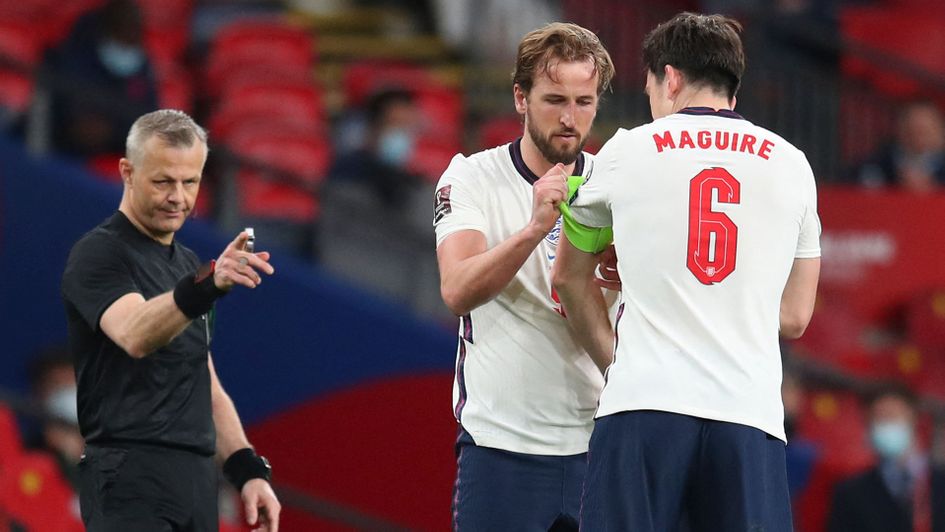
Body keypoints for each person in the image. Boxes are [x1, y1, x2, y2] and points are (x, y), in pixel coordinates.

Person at [551, 12, 821, 531]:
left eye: (652, 86)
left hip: (644, 406)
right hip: (748, 414)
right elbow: (794, 317)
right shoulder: (793, 164)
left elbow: (567, 277)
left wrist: (617, 359)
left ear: (669, 78)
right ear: (732, 91)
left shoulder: (627, 150)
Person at [433, 22, 616, 530]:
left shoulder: (617, 184)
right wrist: (534, 229)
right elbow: (457, 289)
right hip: (501, 447)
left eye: (584, 101)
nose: (570, 117)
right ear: (520, 97)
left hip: (596, 442)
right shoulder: (471, 176)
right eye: (554, 99)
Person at [61, 109, 280, 532]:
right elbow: (134, 334)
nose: (178, 197)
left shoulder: (188, 267)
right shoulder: (98, 254)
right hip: (128, 479)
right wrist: (207, 287)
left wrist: (247, 470)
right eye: (163, 181)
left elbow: (205, 383)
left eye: (190, 182)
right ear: (127, 171)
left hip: (197, 484)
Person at [44, 0, 159, 158]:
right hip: (62, 147)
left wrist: (115, 130)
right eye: (122, 36)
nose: (126, 44)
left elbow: (147, 118)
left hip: (116, 149)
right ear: (108, 31)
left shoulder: (141, 66)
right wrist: (78, 120)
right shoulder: (77, 52)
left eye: (132, 38)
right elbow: (64, 105)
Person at [827, 384, 945, 532]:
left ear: (914, 419)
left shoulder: (939, 483)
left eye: (892, 416)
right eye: (878, 419)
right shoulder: (850, 493)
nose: (886, 424)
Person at [854, 100, 945, 192]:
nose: (918, 137)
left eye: (925, 131)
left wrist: (934, 187)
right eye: (912, 130)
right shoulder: (880, 161)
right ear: (900, 130)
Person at [27, 347, 85, 491]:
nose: (68, 395)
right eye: (58, 386)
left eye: (74, 385)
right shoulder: (23, 457)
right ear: (37, 397)